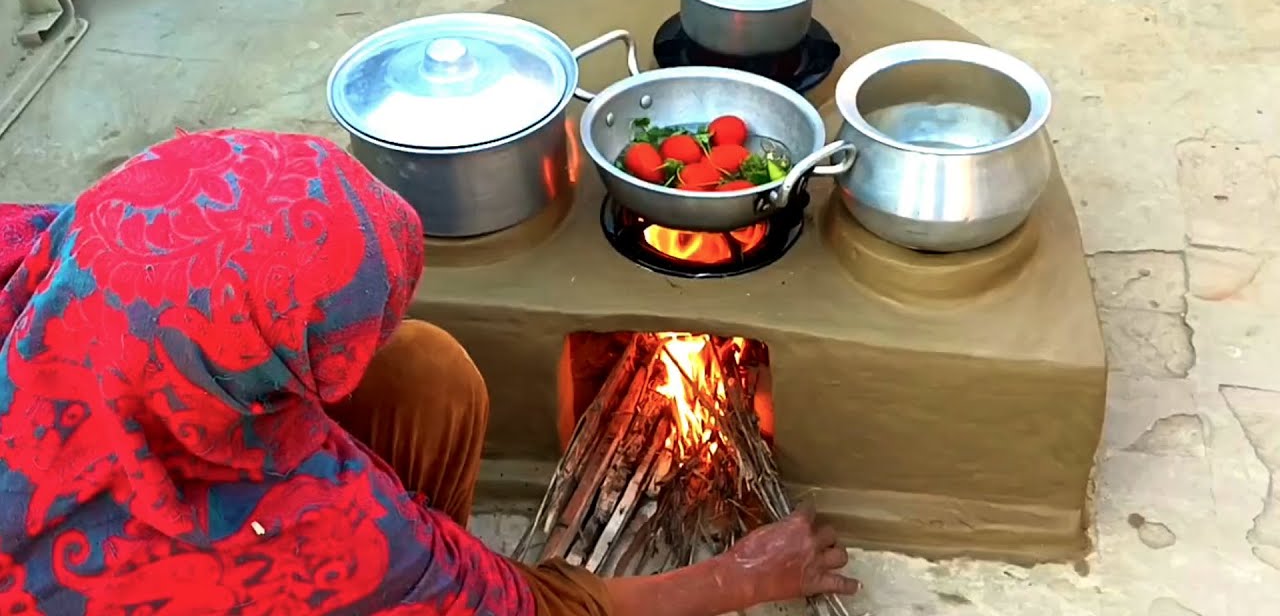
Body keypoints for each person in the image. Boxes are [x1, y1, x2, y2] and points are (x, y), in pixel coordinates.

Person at [0, 128, 859, 615]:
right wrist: (743, 576)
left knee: (424, 374)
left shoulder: (45, 254)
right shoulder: (306, 529)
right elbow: (535, 614)